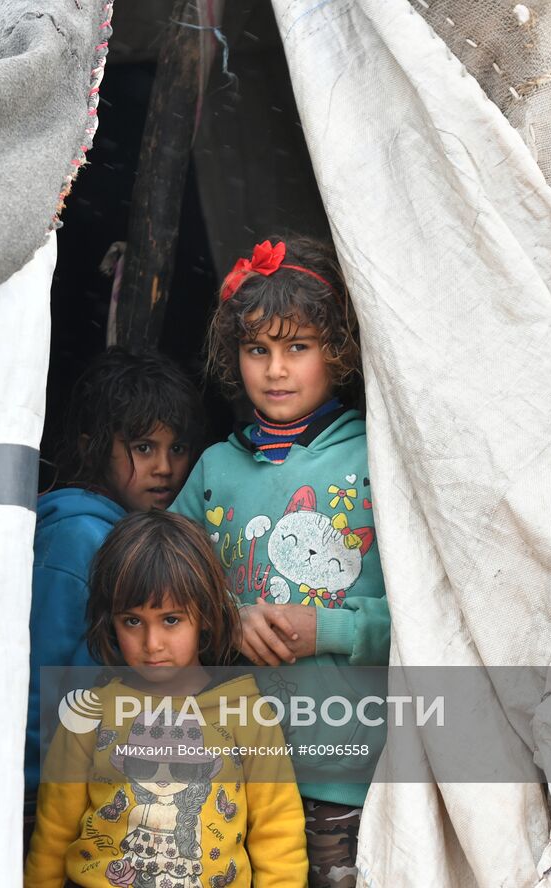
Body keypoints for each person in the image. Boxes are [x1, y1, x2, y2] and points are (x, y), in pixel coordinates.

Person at [170, 237, 388, 888]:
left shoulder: (378, 464)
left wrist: (331, 630)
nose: (276, 369)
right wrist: (227, 623)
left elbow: (438, 617)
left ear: (337, 353)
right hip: (229, 765)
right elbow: (156, 596)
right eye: (257, 349)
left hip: (343, 768)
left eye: (298, 347)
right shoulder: (214, 471)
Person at [25, 510, 308, 887]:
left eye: (171, 620)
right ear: (109, 620)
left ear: (205, 615)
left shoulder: (247, 714)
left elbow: (278, 832)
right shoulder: (90, 713)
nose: (151, 644)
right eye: (132, 621)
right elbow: (53, 831)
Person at [26, 349, 205, 822]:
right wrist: (34, 788)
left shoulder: (144, 534)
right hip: (49, 790)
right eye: (144, 447)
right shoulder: (76, 538)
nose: (164, 467)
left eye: (178, 448)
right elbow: (36, 680)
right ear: (93, 447)